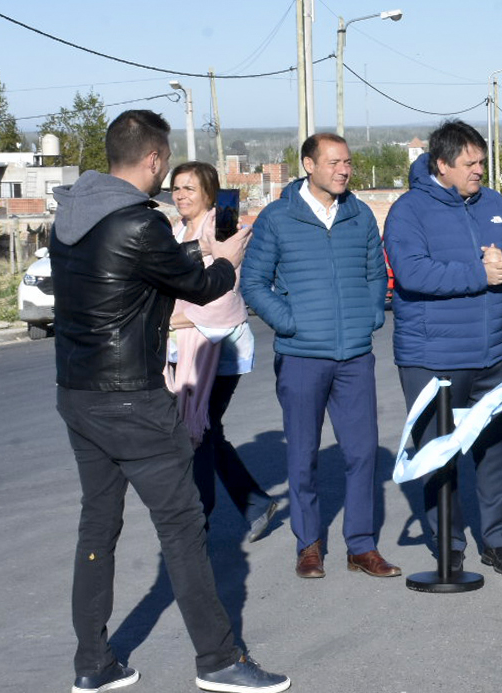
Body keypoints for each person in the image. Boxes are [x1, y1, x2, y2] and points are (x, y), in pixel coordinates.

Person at [51, 109, 288, 693]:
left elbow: (140, 275)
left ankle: (93, 664)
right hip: (133, 398)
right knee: (183, 528)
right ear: (154, 158)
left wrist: (198, 254)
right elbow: (202, 288)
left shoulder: (69, 216)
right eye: (165, 168)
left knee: (97, 528)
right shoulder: (140, 222)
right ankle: (219, 661)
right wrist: (225, 259)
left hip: (78, 394)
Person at [241, 133, 398, 581]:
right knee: (303, 455)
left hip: (354, 356)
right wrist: (290, 323)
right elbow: (254, 283)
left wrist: (370, 316)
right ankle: (308, 545)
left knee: (362, 452)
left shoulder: (359, 214)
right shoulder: (277, 218)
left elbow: (376, 273)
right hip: (301, 356)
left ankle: (361, 546)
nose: (344, 170)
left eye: (347, 162)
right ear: (309, 165)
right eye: (334, 162)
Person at [385, 120, 502, 577]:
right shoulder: (409, 211)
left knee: (498, 454)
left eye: (481, 162)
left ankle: (498, 542)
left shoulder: (493, 203)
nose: (479, 170)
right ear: (442, 164)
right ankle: (449, 544)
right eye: (470, 163)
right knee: (439, 456)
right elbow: (412, 273)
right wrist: (480, 273)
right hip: (433, 359)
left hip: (492, 354)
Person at [167, 162, 278, 543]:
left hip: (220, 348)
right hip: (183, 348)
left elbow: (222, 300)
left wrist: (165, 320)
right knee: (205, 430)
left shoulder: (222, 230)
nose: (181, 195)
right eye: (176, 188)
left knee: (196, 431)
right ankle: (254, 503)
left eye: (189, 188)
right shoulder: (176, 230)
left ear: (209, 192)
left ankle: (200, 521)